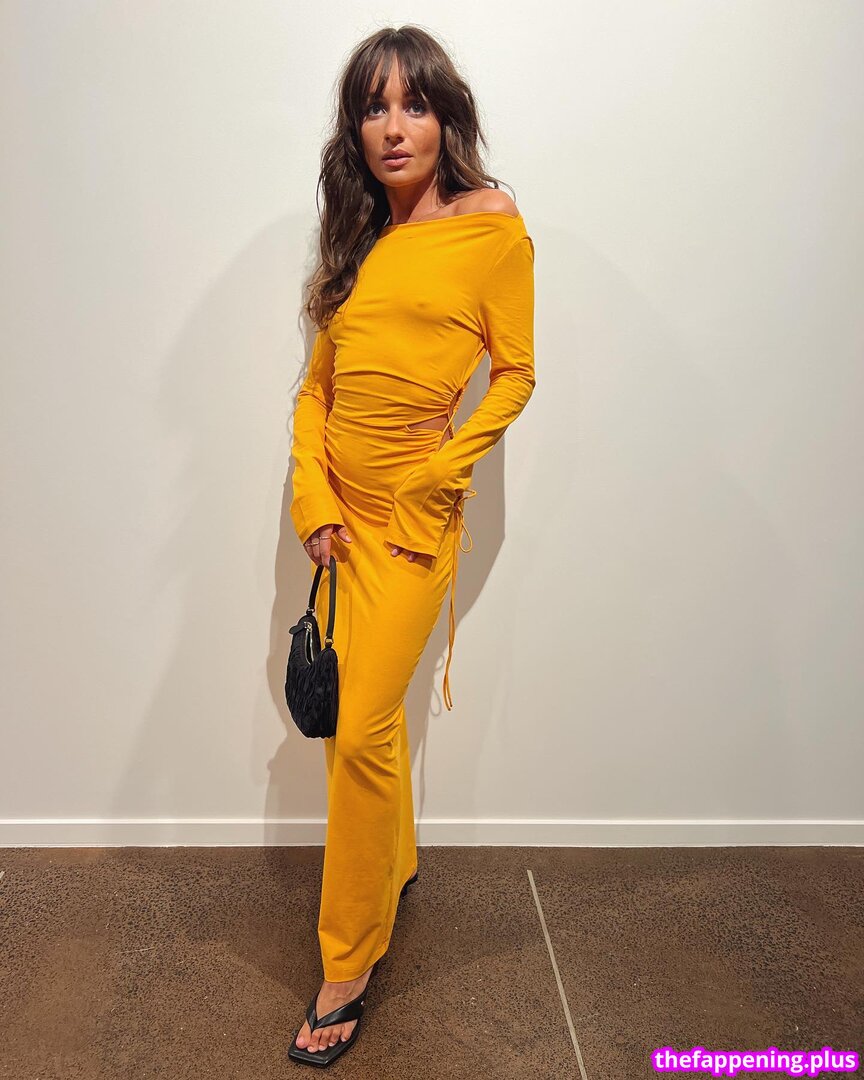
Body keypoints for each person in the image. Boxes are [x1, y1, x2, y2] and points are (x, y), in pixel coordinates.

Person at [286, 24, 535, 1066]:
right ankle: (392, 863)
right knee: (358, 727)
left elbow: (516, 373)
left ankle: (347, 961)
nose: (394, 127)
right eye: (373, 108)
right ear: (356, 129)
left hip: (413, 525)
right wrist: (312, 502)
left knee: (359, 731)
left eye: (414, 105)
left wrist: (445, 468)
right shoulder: (358, 243)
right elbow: (316, 392)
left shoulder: (493, 228)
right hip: (341, 521)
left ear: (446, 117)